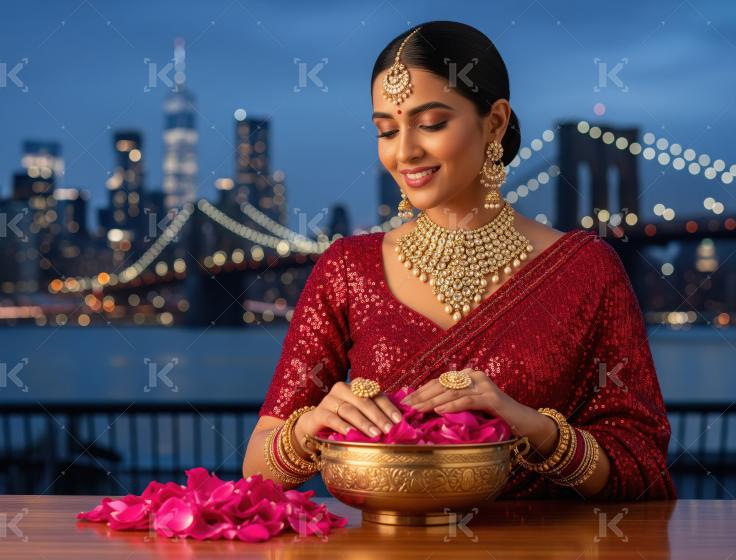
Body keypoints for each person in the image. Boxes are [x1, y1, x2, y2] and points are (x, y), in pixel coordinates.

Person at [242, 20, 677, 500]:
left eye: (431, 124)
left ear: (494, 121)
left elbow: (644, 463)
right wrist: (306, 431)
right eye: (387, 130)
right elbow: (257, 474)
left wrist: (535, 429)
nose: (404, 152)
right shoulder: (347, 268)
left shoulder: (587, 268)